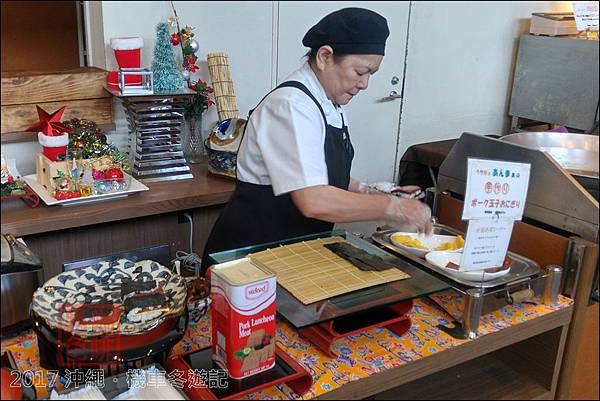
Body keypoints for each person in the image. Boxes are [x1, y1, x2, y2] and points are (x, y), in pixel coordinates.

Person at [201, 8, 432, 273]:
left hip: (291, 251)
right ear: (325, 57)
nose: (365, 84)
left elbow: (318, 175)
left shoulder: (328, 103)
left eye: (371, 74)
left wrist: (373, 190)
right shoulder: (290, 106)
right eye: (360, 71)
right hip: (251, 257)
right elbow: (314, 199)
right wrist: (395, 208)